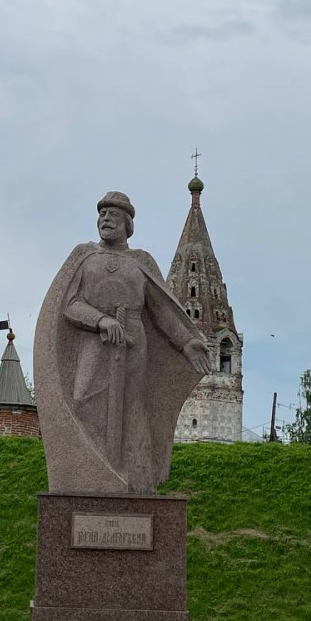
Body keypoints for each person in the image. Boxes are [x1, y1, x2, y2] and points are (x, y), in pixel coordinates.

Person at [34, 191, 212, 494]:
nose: (105, 219)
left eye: (113, 215)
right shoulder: (85, 256)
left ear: (128, 224)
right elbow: (69, 304)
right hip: (96, 339)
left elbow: (161, 310)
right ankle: (90, 478)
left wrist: (186, 342)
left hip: (132, 339)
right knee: (84, 399)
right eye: (102, 214)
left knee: (131, 409)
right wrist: (100, 321)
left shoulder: (140, 262)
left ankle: (134, 481)